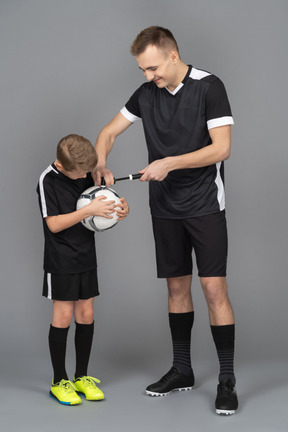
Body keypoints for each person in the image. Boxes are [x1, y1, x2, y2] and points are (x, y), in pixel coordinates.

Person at [93, 26, 238, 415]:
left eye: (153, 68)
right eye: (142, 70)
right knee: (176, 289)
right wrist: (101, 161)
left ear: (173, 56)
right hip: (165, 207)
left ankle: (227, 380)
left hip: (205, 203)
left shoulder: (209, 87)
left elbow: (221, 148)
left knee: (212, 289)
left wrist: (169, 162)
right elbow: (108, 132)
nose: (148, 77)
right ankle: (182, 369)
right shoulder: (145, 94)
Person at [37, 134, 129, 405]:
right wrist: (89, 208)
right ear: (63, 166)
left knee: (86, 314)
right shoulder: (47, 181)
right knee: (63, 317)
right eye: (80, 174)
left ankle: (81, 377)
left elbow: (101, 205)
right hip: (61, 260)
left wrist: (119, 210)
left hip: (86, 256)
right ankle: (59, 380)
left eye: (87, 173)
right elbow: (53, 224)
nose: (84, 178)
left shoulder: (86, 172)